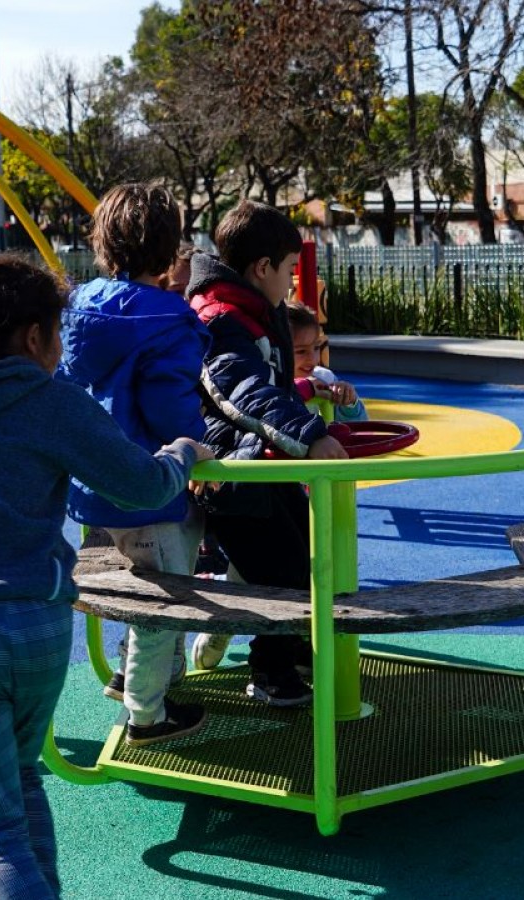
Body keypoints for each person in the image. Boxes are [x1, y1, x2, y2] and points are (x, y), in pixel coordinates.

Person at [0, 253, 209, 899]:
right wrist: (182, 453)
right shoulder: (51, 401)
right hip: (35, 625)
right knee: (22, 781)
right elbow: (140, 484)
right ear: (35, 336)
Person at [57, 183, 209, 744]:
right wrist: (196, 446)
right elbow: (170, 405)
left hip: (94, 480)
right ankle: (146, 716)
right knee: (162, 601)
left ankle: (132, 676)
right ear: (169, 250)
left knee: (140, 585)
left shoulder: (79, 306)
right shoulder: (168, 318)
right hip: (150, 485)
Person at [187, 200, 348, 706]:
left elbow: (273, 386)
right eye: (289, 270)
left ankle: (290, 647)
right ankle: (270, 670)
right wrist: (310, 434)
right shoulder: (222, 320)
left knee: (306, 551)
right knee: (279, 568)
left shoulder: (255, 310)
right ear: (262, 268)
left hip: (261, 460)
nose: (293, 283)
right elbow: (245, 393)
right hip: (230, 469)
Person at [286, 302, 368, 422]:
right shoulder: (269, 384)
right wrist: (302, 389)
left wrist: (348, 402)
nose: (312, 358)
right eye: (301, 351)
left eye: (316, 347)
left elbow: (360, 427)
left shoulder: (325, 379)